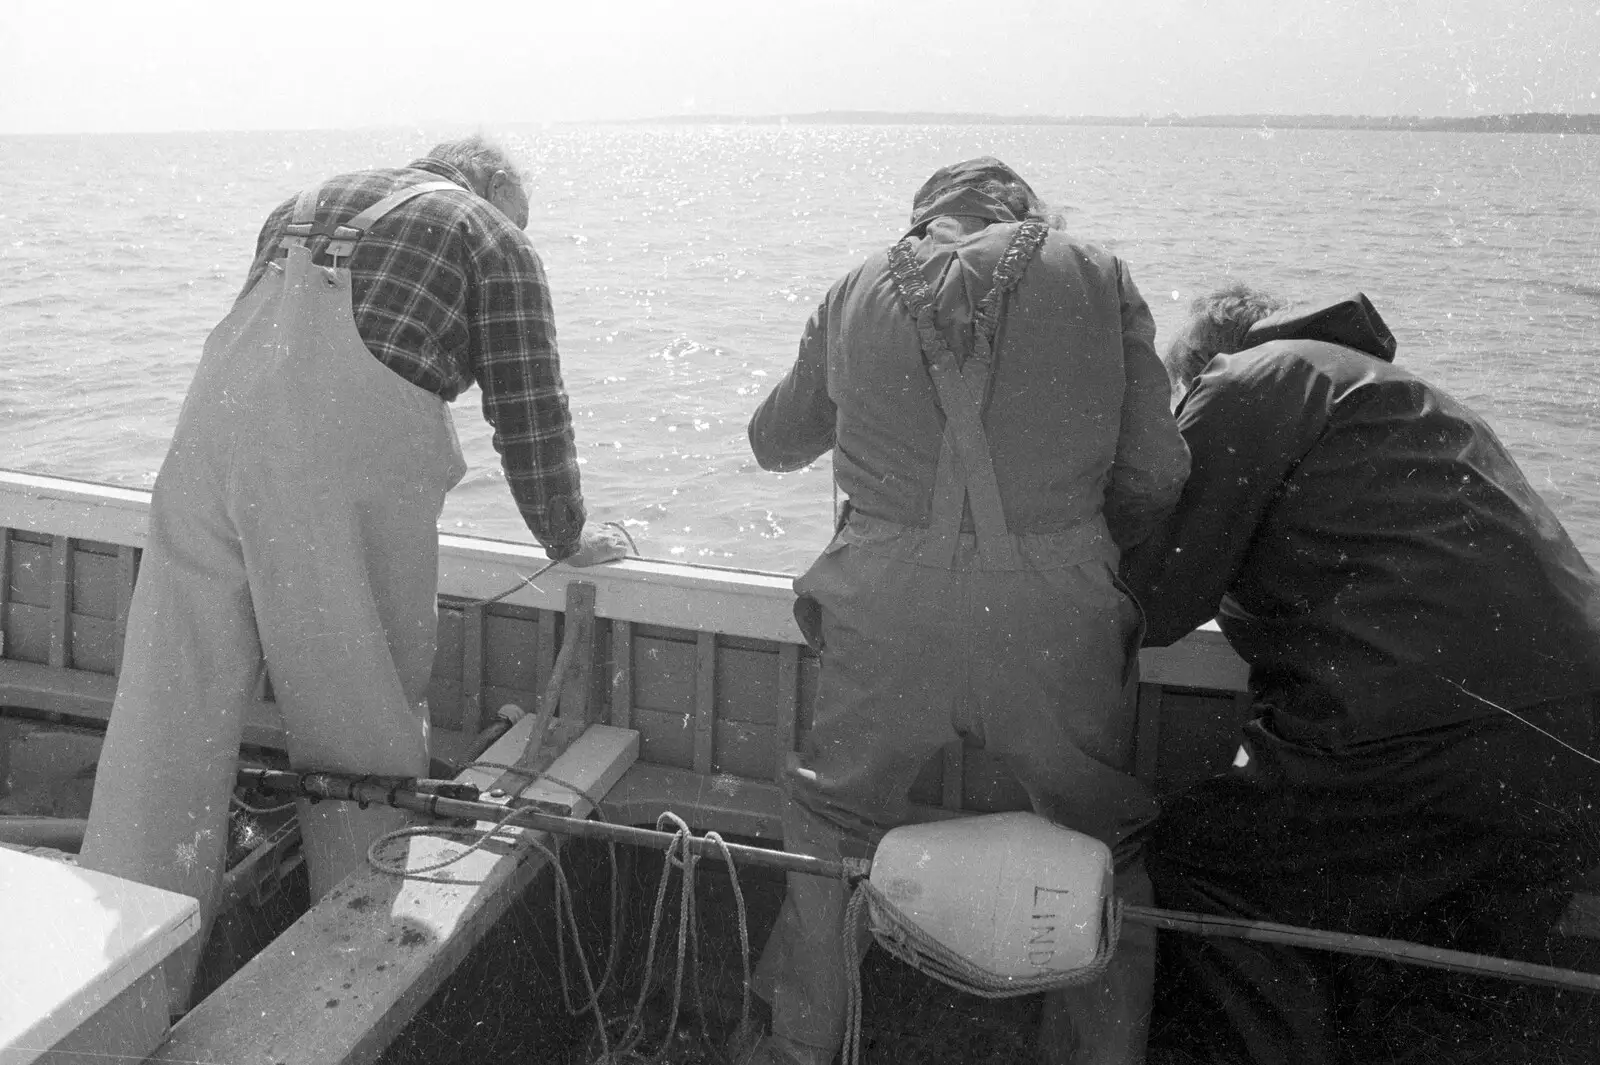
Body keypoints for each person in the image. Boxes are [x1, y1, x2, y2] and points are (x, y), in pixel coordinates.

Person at [80, 135, 628, 1000]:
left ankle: (111, 977)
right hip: (321, 472)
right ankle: (349, 970)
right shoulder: (492, 235)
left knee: (167, 717)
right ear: (491, 192)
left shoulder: (304, 201)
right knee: (358, 717)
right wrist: (566, 535)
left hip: (203, 451)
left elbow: (267, 367)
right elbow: (531, 411)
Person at [740, 158, 1190, 1065]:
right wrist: (1074, 541)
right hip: (1053, 617)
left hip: (884, 614)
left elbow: (773, 442)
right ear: (1026, 213)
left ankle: (794, 1049)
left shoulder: (858, 284)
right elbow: (1159, 469)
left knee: (834, 834)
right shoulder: (1096, 272)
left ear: (926, 219)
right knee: (1102, 842)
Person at [1121, 286, 1600, 1063]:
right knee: (1435, 981)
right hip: (1571, 745)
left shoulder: (1250, 378)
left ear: (1204, 364)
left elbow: (1155, 592)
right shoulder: (1409, 399)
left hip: (1418, 738)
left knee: (1200, 866)